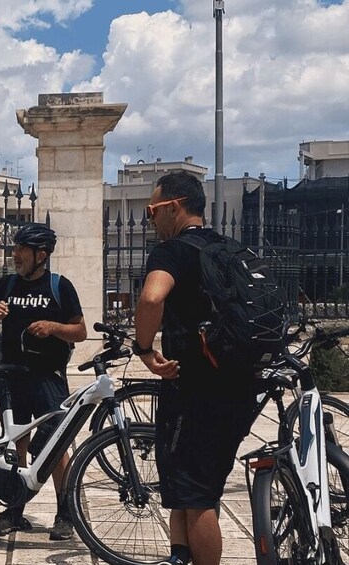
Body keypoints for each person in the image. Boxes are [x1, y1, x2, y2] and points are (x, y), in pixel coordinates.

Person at [133, 172, 258, 565]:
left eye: (152, 210)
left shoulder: (173, 251)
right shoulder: (230, 248)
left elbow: (152, 298)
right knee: (190, 489)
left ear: (174, 206)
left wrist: (144, 350)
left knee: (198, 496)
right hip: (238, 386)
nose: (150, 219)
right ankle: (180, 557)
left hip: (195, 390)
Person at [0, 223, 86, 539]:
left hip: (48, 377)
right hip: (13, 377)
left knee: (56, 447)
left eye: (21, 250)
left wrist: (54, 327)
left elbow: (79, 331)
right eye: (15, 249)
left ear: (41, 254)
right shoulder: (7, 284)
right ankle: (14, 511)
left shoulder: (59, 286)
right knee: (17, 445)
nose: (15, 255)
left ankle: (65, 515)